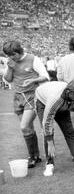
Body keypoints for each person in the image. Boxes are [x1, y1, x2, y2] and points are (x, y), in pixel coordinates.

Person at [2, 40, 50, 168]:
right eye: (8, 55)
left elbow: (45, 76)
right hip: (18, 97)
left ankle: (32, 156)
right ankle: (35, 156)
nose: (10, 58)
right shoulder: (11, 62)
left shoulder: (32, 59)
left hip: (32, 95)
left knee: (24, 126)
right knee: (28, 128)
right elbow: (7, 79)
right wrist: (10, 68)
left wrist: (32, 80)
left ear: (19, 52)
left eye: (12, 55)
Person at [35, 79, 74, 177]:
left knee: (69, 132)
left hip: (63, 104)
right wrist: (50, 142)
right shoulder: (55, 99)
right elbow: (47, 122)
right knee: (49, 133)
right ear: (70, 94)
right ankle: (49, 163)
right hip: (43, 101)